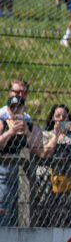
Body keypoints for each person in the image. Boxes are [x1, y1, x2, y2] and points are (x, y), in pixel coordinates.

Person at [0, 95, 43, 226]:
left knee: (20, 217)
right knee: (4, 216)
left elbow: (40, 150)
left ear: (24, 109)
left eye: (19, 107)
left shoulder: (29, 125)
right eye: (13, 108)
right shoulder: (2, 123)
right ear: (8, 109)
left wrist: (27, 132)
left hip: (25, 177)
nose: (16, 110)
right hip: (4, 175)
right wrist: (10, 132)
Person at [38, 104, 71, 227]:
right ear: (52, 118)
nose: (61, 118)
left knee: (66, 218)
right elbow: (47, 153)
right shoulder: (46, 134)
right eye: (58, 116)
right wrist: (56, 135)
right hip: (47, 184)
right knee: (46, 216)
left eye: (64, 116)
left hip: (68, 183)